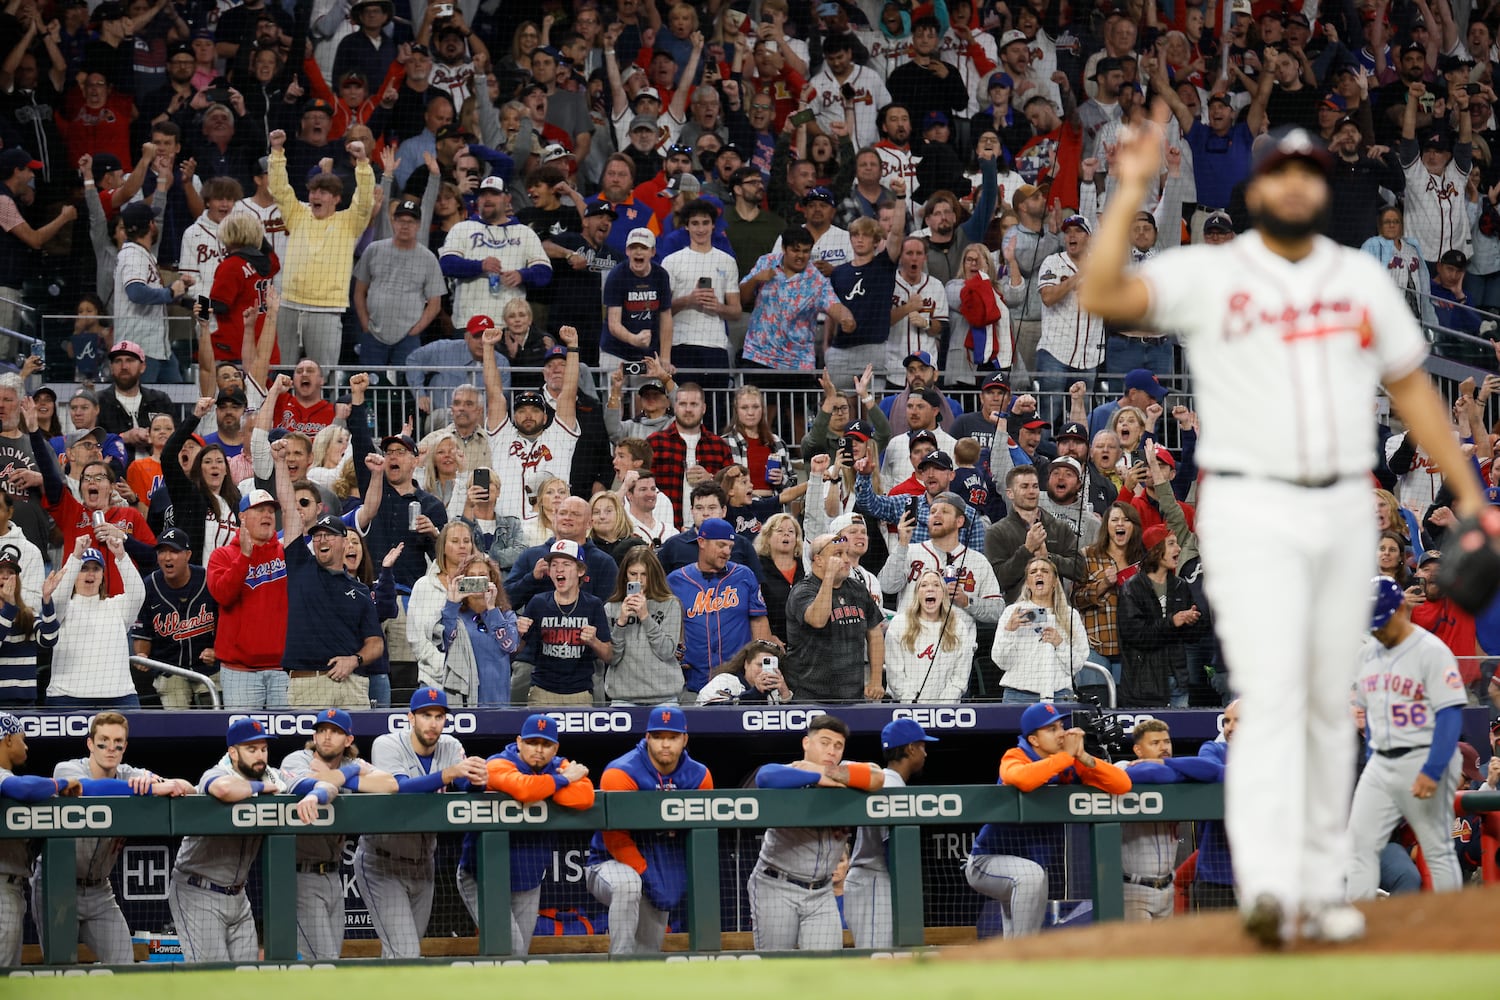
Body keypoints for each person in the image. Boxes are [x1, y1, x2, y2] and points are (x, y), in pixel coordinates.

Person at [1080, 121, 1487, 946]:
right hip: (1249, 502)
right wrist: (1129, 189)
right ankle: (1271, 892)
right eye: (1282, 172)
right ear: (1257, 189)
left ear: (1323, 187)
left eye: (1311, 172)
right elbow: (1103, 295)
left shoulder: (1360, 280)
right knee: (1271, 700)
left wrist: (1475, 499)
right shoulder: (1213, 270)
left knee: (1332, 711)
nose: (1296, 184)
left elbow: (1412, 392)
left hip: (1343, 498)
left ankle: (1318, 887)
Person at [29, 712, 193, 963]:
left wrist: (161, 782)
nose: (111, 748)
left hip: (99, 890)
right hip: (57, 885)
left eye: (118, 743)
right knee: (60, 968)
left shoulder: (131, 774)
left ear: (125, 746)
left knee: (124, 963)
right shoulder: (68, 768)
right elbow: (89, 789)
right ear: (90, 744)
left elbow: (186, 788)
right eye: (103, 741)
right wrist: (146, 789)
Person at [169, 718, 334, 963]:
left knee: (247, 975)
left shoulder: (274, 776)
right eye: (251, 749)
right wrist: (261, 787)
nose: (260, 755)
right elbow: (224, 790)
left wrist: (315, 796)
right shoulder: (217, 772)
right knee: (211, 980)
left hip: (238, 895)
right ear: (233, 753)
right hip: (197, 889)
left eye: (263, 749)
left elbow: (328, 785)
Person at [967, 702, 1132, 938]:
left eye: (1061, 726)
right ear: (1034, 740)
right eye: (1051, 729)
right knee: (1032, 876)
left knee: (1033, 883)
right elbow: (1021, 779)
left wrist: (1083, 756)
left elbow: (1122, 784)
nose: (1062, 733)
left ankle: (1015, 965)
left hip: (1030, 868)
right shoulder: (1017, 755)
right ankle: (1025, 955)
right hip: (988, 862)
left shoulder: (1069, 762)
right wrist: (1066, 757)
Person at [1346, 577, 1466, 901]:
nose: (1377, 630)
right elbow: (1370, 715)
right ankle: (1360, 923)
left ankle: (1451, 928)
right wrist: (1373, 761)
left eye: (1382, 621)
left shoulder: (1432, 652)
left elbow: (1451, 714)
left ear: (1401, 608)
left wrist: (1433, 768)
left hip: (1425, 754)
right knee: (1360, 844)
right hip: (1381, 760)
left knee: (1437, 848)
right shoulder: (1366, 655)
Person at [354, 688, 488, 959]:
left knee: (401, 954)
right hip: (382, 862)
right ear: (411, 718)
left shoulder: (451, 746)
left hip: (423, 864)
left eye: (439, 716)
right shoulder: (387, 744)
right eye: (426, 715)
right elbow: (401, 789)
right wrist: (449, 773)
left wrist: (478, 780)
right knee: (405, 953)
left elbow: (465, 786)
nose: (433, 723)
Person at [457, 714, 596, 955]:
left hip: (528, 879)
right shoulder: (498, 763)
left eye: (546, 744)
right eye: (532, 743)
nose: (539, 750)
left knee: (518, 955)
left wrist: (547, 787)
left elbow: (584, 796)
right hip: (484, 875)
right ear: (519, 742)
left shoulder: (559, 764)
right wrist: (562, 780)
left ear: (556, 748)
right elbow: (523, 789)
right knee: (509, 950)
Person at [750, 715, 884, 951]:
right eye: (824, 742)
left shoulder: (845, 771)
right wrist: (816, 775)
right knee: (774, 970)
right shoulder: (793, 771)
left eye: (838, 746)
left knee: (826, 969)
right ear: (806, 743)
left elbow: (877, 776)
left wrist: (828, 773)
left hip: (821, 892)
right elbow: (765, 776)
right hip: (777, 885)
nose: (832, 751)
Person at [586, 707, 713, 955]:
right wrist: (647, 874)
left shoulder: (699, 776)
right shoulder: (621, 772)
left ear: (684, 739)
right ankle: (620, 963)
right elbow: (615, 837)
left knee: (648, 952)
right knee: (628, 884)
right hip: (608, 862)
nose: (665, 744)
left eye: (672, 737)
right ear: (647, 738)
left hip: (662, 859)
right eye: (658, 737)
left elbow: (699, 835)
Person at [278, 708, 399, 961]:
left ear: (348, 740)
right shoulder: (296, 759)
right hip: (299, 874)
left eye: (335, 731)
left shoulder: (349, 764)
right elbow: (307, 785)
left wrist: (341, 775)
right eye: (321, 730)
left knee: (330, 961)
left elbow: (390, 784)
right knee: (323, 963)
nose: (326, 737)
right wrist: (349, 775)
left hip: (333, 876)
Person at [267, 129, 374, 369]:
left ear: (336, 198)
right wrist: (276, 152)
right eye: (314, 191)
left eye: (323, 192)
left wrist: (363, 163)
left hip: (326, 310)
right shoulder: (297, 214)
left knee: (322, 376)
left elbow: (365, 202)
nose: (316, 196)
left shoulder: (349, 223)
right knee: (281, 375)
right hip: (289, 306)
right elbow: (280, 190)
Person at [1114, 719, 1226, 922]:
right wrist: (1180, 771)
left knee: (1165, 953)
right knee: (1137, 952)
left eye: (1166, 742)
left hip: (1167, 887)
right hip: (1134, 888)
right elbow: (1152, 774)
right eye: (1154, 743)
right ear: (1138, 750)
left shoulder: (1176, 767)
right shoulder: (1123, 767)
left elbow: (1214, 770)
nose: (1163, 747)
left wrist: (1168, 764)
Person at [844, 718, 939, 948]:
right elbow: (891, 848)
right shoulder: (889, 785)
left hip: (869, 880)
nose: (925, 753)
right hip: (873, 879)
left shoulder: (885, 780)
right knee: (877, 959)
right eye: (922, 746)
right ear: (910, 748)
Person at [481, 325, 581, 524]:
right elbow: (494, 395)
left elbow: (568, 393)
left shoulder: (559, 436)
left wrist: (573, 348)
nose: (528, 415)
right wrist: (487, 348)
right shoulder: (503, 437)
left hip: (552, 527)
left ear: (545, 417)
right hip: (507, 528)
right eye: (521, 411)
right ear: (513, 416)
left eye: (535, 411)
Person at [668, 518, 771, 697]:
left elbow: (759, 622)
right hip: (691, 682)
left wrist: (761, 669)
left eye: (730, 547)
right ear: (701, 542)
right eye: (721, 545)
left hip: (738, 684)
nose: (727, 552)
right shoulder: (675, 580)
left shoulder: (744, 575)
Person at [44, 532, 145, 710]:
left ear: (102, 575)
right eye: (84, 568)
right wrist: (75, 556)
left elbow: (138, 593)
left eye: (95, 568)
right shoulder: (64, 608)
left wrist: (121, 556)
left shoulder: (117, 606)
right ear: (75, 572)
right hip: (67, 697)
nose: (90, 573)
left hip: (119, 697)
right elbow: (57, 599)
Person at [441, 175, 552, 332]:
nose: (487, 199)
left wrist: (522, 275)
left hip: (510, 325)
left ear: (507, 198)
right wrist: (480, 266)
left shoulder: (524, 232)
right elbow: (447, 265)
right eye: (483, 194)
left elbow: (544, 273)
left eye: (494, 194)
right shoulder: (462, 228)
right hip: (469, 324)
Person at [785, 533, 885, 704]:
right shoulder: (803, 590)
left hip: (853, 695)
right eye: (838, 554)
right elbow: (818, 619)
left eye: (846, 553)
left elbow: (874, 632)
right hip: (810, 697)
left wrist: (876, 680)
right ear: (819, 560)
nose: (847, 559)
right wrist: (830, 576)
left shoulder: (858, 589)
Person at [514, 539, 614, 706]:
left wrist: (594, 642)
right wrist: (517, 633)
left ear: (580, 570)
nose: (559, 569)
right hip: (542, 693)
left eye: (566, 564)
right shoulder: (538, 603)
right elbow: (516, 651)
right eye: (554, 565)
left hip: (580, 694)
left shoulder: (593, 605)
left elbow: (609, 655)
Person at [353, 196, 447, 368]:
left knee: (405, 388)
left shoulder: (428, 258)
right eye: (401, 220)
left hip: (408, 338)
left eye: (411, 221)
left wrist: (415, 331)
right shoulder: (374, 250)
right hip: (373, 334)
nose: (405, 225)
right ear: (393, 221)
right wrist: (366, 324)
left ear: (418, 225)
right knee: (370, 386)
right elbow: (359, 292)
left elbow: (435, 304)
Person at [1118, 525, 1203, 709]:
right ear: (1155, 551)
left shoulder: (1180, 586)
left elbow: (1192, 637)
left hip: (1178, 681)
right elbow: (1136, 635)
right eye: (1171, 543)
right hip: (1144, 686)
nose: (1178, 549)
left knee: (1180, 737)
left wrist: (1193, 621)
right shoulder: (1132, 589)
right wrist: (1173, 622)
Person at [131, 528, 217, 709]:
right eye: (162, 551)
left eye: (174, 551)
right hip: (170, 670)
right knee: (176, 716)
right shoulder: (148, 587)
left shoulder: (208, 580)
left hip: (209, 668)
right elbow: (142, 639)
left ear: (188, 555)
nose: (167, 557)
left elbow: (227, 624)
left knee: (212, 705)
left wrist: (219, 650)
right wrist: (142, 656)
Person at [991, 557, 1090, 704]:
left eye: (1045, 571)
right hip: (1018, 697)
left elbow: (1077, 664)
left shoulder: (1070, 616)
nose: (1039, 574)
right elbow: (1001, 661)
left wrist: (1060, 644)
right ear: (1027, 583)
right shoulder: (1012, 612)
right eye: (1033, 572)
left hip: (1060, 696)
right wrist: (1009, 631)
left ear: (1055, 582)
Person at [985, 465, 1088, 601]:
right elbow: (998, 581)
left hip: (1056, 612)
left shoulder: (1059, 527)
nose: (1031, 491)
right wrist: (1027, 550)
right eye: (1025, 486)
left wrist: (1049, 557)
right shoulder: (996, 532)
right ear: (1010, 493)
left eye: (1035, 486)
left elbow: (1080, 570)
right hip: (1018, 614)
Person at [605, 546, 684, 705]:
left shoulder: (670, 604)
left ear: (653, 575)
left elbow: (667, 651)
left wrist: (645, 617)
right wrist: (621, 623)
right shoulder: (611, 608)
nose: (638, 581)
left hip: (664, 697)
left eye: (644, 575)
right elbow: (612, 658)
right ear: (625, 576)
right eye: (633, 574)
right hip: (623, 698)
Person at [885, 570, 978, 704]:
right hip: (906, 706)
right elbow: (895, 674)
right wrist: (912, 702)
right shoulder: (899, 624)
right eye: (924, 585)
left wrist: (942, 706)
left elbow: (960, 677)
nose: (930, 589)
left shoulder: (958, 627)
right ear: (917, 594)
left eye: (936, 585)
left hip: (946, 709)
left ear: (943, 594)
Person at [438, 556, 519, 706]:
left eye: (482, 576)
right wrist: (451, 604)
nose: (476, 581)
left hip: (497, 700)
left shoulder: (506, 616)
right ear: (462, 580)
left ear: (492, 581)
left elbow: (511, 646)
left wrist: (492, 609)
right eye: (471, 577)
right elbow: (444, 642)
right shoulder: (454, 617)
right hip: (463, 702)